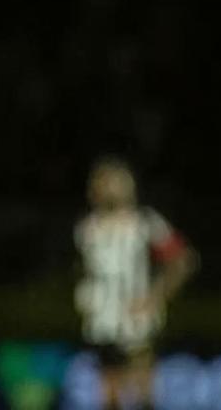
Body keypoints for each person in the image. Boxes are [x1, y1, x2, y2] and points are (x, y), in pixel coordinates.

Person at [73, 156, 195, 409]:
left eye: (111, 181)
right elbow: (85, 272)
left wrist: (155, 296)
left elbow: (182, 261)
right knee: (110, 394)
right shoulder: (87, 229)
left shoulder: (145, 223)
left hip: (137, 320)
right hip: (102, 321)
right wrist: (85, 295)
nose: (104, 188)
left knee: (143, 391)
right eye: (99, 182)